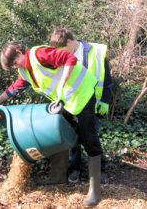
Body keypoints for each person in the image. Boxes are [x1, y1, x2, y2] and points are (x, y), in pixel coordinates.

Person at [0, 41, 103, 206]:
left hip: (82, 94)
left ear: (18, 51)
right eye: (14, 66)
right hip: (67, 101)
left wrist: (63, 86)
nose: (16, 66)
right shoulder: (25, 70)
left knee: (89, 139)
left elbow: (69, 58)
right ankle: (58, 176)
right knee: (58, 134)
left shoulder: (39, 54)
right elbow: (16, 87)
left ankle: (95, 190)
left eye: (15, 62)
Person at [50, 28, 113, 186]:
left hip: (90, 103)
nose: (60, 53)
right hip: (70, 104)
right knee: (73, 138)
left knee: (91, 137)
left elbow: (107, 78)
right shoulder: (62, 54)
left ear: (69, 42)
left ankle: (100, 171)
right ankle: (76, 168)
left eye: (62, 49)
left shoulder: (96, 51)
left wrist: (105, 99)